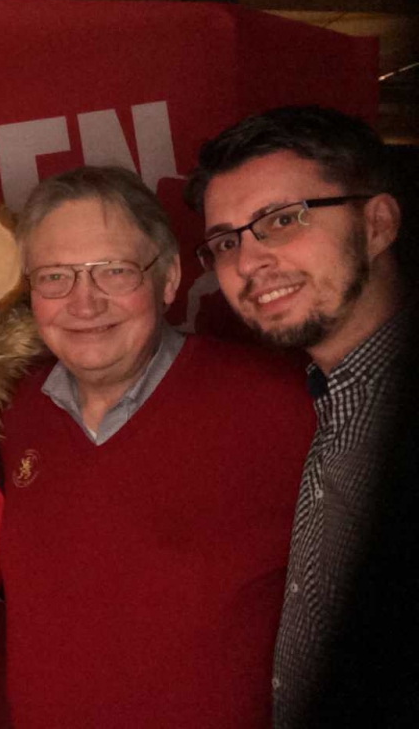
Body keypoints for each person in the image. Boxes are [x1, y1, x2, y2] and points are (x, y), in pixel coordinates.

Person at [0, 166, 315, 728]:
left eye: (114, 271)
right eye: (55, 277)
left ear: (168, 279)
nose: (84, 303)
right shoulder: (10, 411)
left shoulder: (278, 402)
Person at [185, 105, 413, 727]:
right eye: (226, 241)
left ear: (377, 223)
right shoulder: (322, 397)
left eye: (283, 220)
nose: (248, 263)